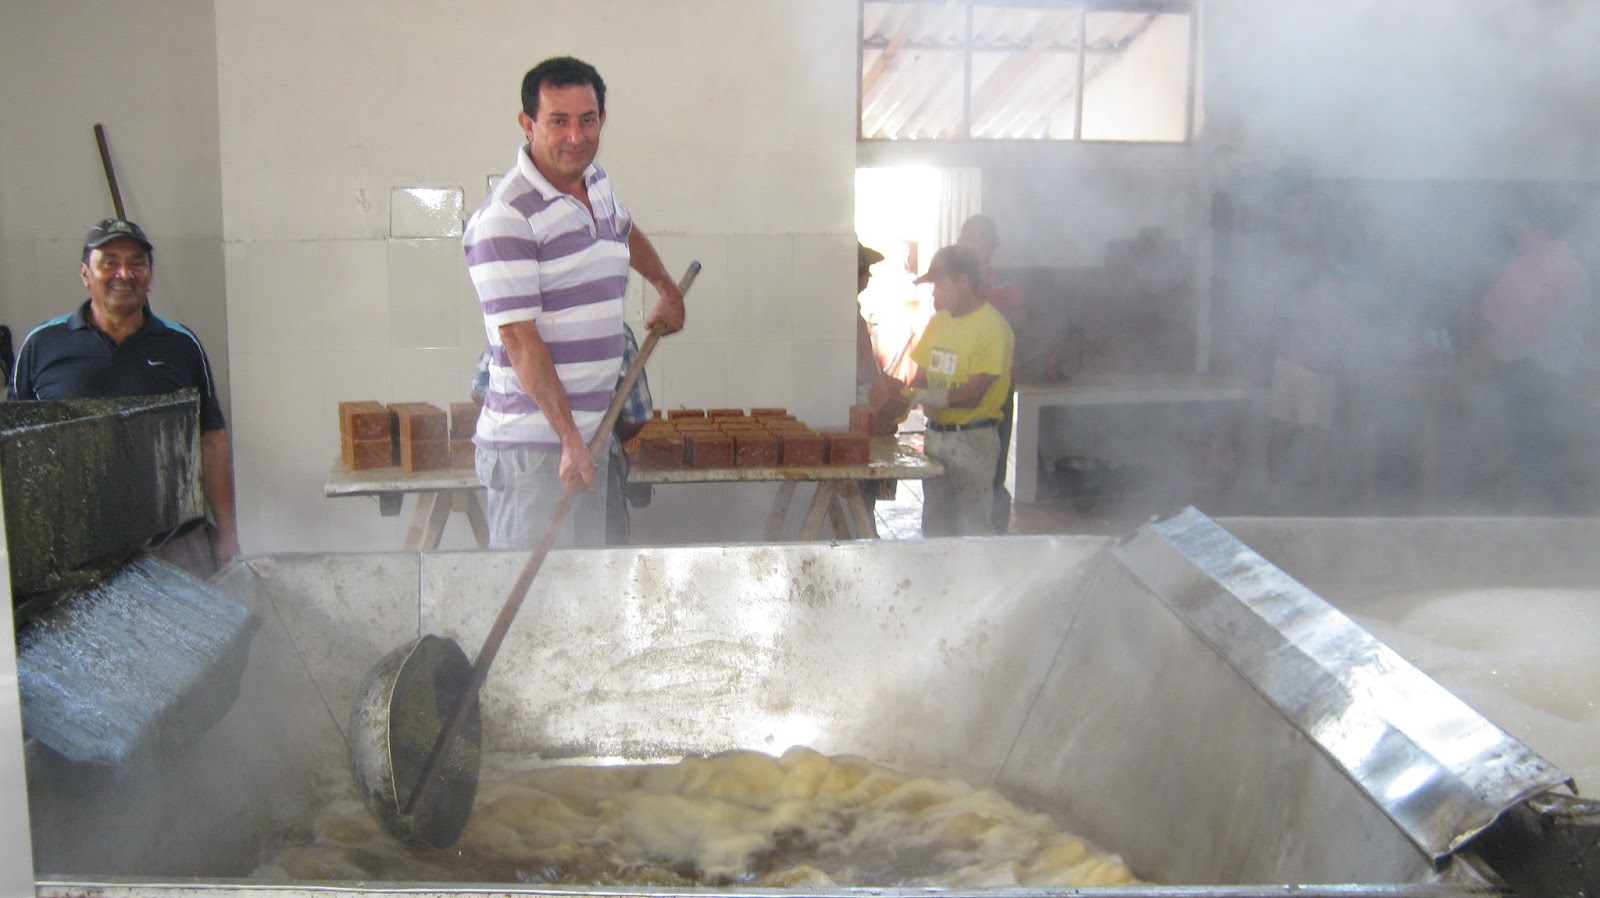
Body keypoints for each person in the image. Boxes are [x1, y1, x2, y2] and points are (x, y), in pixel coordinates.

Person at [463, 56, 685, 550]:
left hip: (590, 438)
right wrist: (567, 440)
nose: (575, 136)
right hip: (536, 452)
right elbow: (520, 342)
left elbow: (624, 231)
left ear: (602, 119)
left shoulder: (596, 183)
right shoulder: (507, 216)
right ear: (528, 124)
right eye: (558, 121)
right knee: (536, 605)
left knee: (580, 599)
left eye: (587, 120)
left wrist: (666, 288)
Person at [10, 218, 240, 572]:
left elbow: (212, 440)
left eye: (137, 263)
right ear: (86, 274)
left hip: (174, 540)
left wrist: (227, 532)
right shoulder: (42, 344)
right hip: (74, 547)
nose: (124, 273)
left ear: (149, 276)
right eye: (110, 262)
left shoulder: (180, 344)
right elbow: (14, 447)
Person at [1460, 202, 1593, 511]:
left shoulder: (1557, 265)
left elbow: (1524, 322)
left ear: (1539, 232)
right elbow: (1492, 305)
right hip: (1534, 368)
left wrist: (1487, 344)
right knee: (1528, 446)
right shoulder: (1530, 263)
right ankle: (1532, 509)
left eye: (1522, 231)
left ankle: (1539, 513)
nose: (1516, 237)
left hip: (1542, 370)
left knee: (1536, 447)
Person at [887, 245, 1015, 536]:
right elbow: (919, 377)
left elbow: (974, 394)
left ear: (964, 281)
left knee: (972, 527)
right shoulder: (938, 323)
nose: (934, 294)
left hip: (973, 441)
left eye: (940, 285)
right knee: (935, 525)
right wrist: (896, 398)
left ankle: (976, 580)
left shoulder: (992, 327)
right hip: (936, 438)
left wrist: (921, 397)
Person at [956, 214, 1023, 532]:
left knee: (992, 466)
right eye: (969, 236)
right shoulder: (953, 283)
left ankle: (992, 540)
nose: (975, 243)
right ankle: (954, 537)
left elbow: (1012, 327)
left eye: (982, 237)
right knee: (956, 463)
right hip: (957, 389)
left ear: (994, 245)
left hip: (996, 390)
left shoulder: (1005, 285)